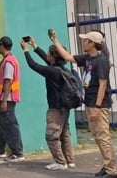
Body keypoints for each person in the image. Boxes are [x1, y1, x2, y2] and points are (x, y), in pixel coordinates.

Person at [50, 30, 117, 178]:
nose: (83, 42)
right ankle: (107, 166)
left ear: (92, 43)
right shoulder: (88, 58)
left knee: (103, 136)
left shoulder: (101, 61)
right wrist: (55, 41)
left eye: (86, 40)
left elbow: (103, 85)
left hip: (98, 104)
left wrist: (97, 107)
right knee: (98, 136)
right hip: (90, 102)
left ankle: (111, 170)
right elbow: (68, 57)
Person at [20, 36, 75, 171]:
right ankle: (69, 161)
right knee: (64, 134)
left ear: (53, 57)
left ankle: (60, 162)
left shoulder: (52, 71)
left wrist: (25, 50)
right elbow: (46, 58)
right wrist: (34, 45)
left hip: (55, 108)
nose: (48, 55)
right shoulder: (61, 69)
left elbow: (34, 65)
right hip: (65, 107)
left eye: (50, 53)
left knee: (51, 136)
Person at [0, 36, 24, 161]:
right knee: (3, 125)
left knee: (10, 125)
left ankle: (17, 152)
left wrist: (4, 101)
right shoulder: (8, 60)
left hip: (7, 99)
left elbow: (8, 82)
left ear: (2, 46)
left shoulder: (8, 62)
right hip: (6, 98)